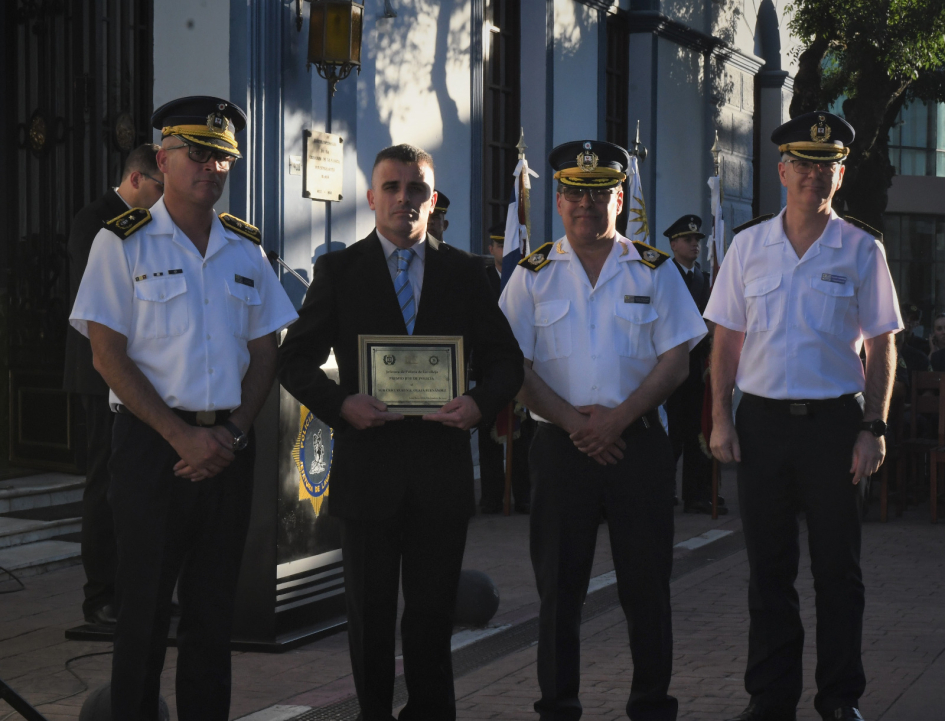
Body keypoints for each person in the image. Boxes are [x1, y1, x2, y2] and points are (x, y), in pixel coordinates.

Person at [70, 96, 298, 719]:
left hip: (225, 450)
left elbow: (265, 349)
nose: (212, 169)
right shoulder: (122, 244)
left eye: (223, 158)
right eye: (197, 155)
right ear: (163, 159)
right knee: (141, 613)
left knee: (211, 616)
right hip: (151, 451)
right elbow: (107, 355)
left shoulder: (246, 249)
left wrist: (233, 433)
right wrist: (180, 437)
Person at [277, 144, 523, 721]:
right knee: (370, 617)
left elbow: (506, 362)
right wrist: (343, 405)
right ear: (371, 198)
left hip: (440, 474)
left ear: (431, 199)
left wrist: (477, 405)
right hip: (369, 475)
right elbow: (294, 361)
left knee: (433, 615)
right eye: (392, 187)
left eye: (416, 188)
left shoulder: (466, 272)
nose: (404, 199)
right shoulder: (339, 272)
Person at [499, 139, 707, 721]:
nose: (584, 204)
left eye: (597, 194)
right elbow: (511, 365)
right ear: (559, 202)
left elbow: (677, 360)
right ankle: (558, 708)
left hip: (636, 449)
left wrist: (618, 418)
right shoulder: (531, 274)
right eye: (573, 193)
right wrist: (574, 423)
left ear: (619, 197)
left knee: (647, 590)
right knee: (558, 595)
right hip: (560, 451)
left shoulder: (655, 270)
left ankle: (650, 707)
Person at [706, 111, 901, 721]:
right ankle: (770, 699)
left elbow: (883, 343)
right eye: (802, 165)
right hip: (762, 425)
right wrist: (720, 419)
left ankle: (840, 700)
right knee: (768, 571)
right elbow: (726, 342)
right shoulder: (746, 247)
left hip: (834, 428)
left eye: (825, 166)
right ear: (782, 171)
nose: (812, 176)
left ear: (838, 176)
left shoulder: (863, 249)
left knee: (838, 573)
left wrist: (873, 427)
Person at [63, 142, 163, 627]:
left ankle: (137, 592)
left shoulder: (158, 226)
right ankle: (100, 594)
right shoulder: (97, 221)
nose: (166, 197)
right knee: (104, 485)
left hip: (137, 373)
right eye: (159, 186)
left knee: (135, 486)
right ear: (137, 179)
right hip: (98, 370)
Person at [662, 214, 726, 515]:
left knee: (698, 432)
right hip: (673, 365)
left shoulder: (702, 277)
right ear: (673, 244)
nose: (694, 245)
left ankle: (698, 494)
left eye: (697, 240)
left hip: (698, 365)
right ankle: (663, 490)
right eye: (688, 240)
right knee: (672, 434)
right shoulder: (664, 274)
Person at [477, 223, 532, 514]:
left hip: (521, 364)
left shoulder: (526, 279)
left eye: (508, 245)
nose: (504, 250)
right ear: (492, 249)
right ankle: (491, 498)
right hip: (488, 369)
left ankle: (523, 495)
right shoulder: (482, 280)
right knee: (489, 439)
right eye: (499, 245)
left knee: (522, 438)